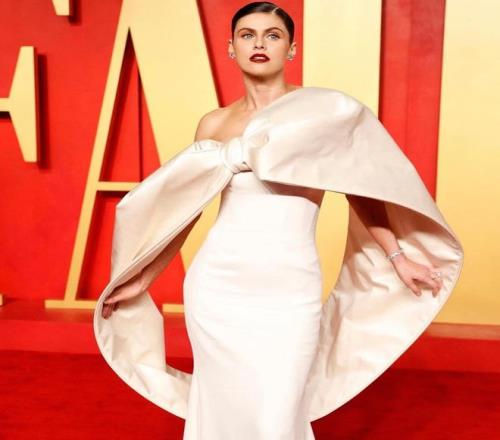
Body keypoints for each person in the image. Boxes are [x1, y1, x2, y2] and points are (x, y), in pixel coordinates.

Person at [94, 2, 462, 439]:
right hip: (218, 287)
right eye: (247, 35)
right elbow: (186, 211)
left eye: (272, 35)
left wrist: (397, 257)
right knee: (221, 407)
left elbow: (362, 189)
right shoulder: (213, 124)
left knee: (279, 413)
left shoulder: (321, 113)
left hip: (291, 286)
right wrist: (143, 277)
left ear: (291, 49)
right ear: (231, 48)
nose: (259, 44)